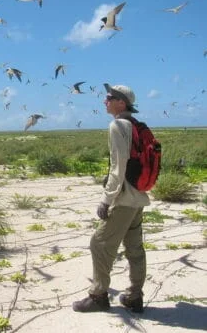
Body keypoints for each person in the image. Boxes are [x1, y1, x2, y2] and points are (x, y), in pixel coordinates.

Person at [72, 84, 151, 313]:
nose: (104, 101)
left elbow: (119, 167)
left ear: (121, 103)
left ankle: (98, 296)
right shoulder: (137, 125)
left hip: (124, 200)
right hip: (138, 198)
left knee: (99, 244)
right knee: (135, 248)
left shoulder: (117, 125)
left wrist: (106, 200)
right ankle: (135, 297)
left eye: (109, 97)